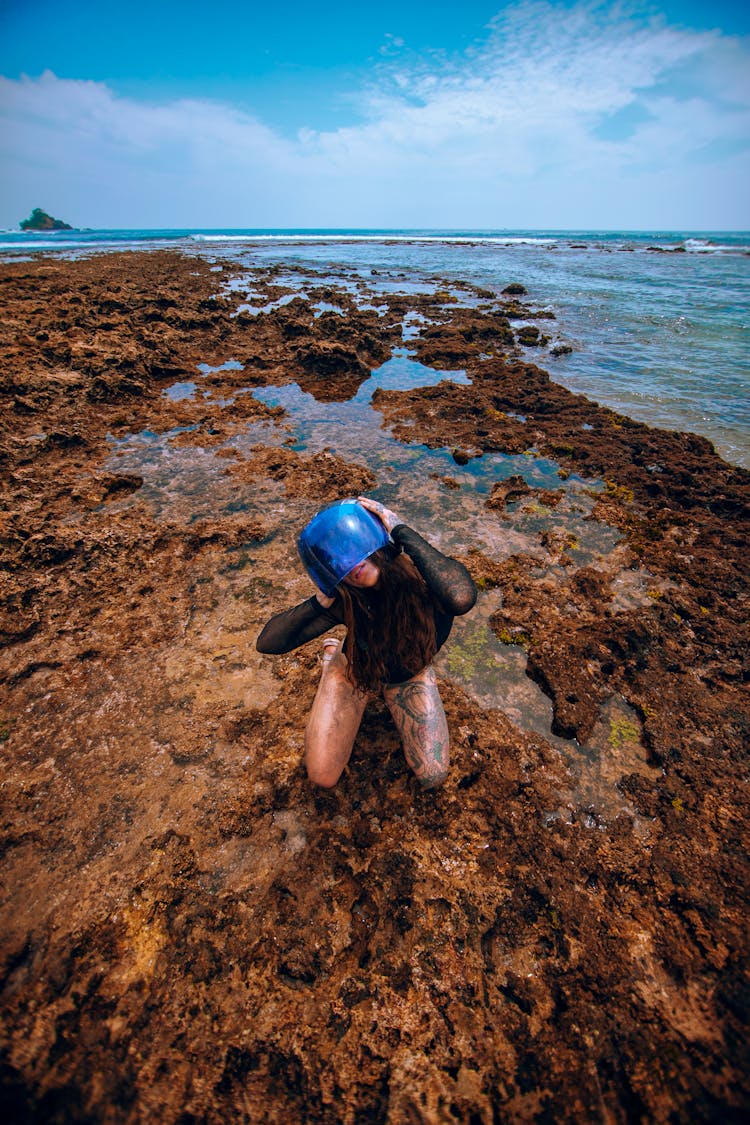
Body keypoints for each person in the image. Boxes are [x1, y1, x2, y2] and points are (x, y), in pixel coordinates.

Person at [256, 496, 477, 789]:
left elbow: (461, 597)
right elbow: (269, 643)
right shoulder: (348, 599)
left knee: (433, 775)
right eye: (338, 560)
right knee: (322, 776)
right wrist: (320, 602)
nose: (352, 564)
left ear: (372, 538)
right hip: (358, 671)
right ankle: (332, 664)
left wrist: (398, 528)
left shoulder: (429, 581)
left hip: (408, 674)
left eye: (353, 546)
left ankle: (417, 677)